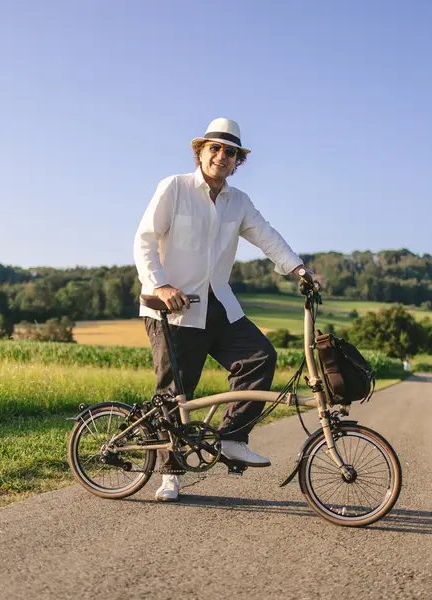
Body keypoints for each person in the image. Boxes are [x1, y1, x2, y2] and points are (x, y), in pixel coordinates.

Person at [133, 118, 316, 502]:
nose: (221, 156)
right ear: (200, 152)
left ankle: (232, 437)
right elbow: (145, 240)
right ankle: (169, 473)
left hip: (217, 303)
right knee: (175, 392)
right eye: (214, 148)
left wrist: (299, 270)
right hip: (173, 307)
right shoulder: (175, 188)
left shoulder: (239, 202)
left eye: (230, 152)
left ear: (237, 162)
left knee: (260, 357)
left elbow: (267, 237)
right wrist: (160, 285)